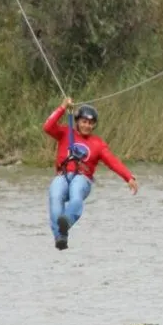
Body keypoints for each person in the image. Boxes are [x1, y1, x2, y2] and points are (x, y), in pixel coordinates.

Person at [43, 97, 138, 250]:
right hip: (63, 175)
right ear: (77, 121)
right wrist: (62, 107)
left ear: (94, 125)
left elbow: (112, 161)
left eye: (90, 123)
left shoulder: (98, 144)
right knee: (55, 194)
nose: (87, 126)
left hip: (82, 179)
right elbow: (48, 127)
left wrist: (128, 177)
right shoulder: (65, 133)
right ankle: (60, 236)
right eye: (84, 122)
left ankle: (66, 221)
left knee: (76, 192)